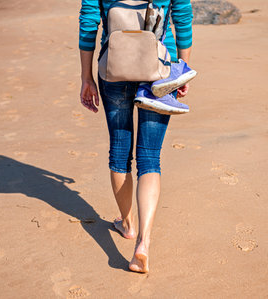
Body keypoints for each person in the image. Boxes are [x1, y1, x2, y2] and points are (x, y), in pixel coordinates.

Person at [79, 0, 193, 273]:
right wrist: (183, 70)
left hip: (113, 68)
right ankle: (143, 242)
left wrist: (86, 77)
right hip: (157, 69)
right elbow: (183, 17)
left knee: (119, 150)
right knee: (150, 158)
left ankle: (127, 224)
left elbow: (88, 23)